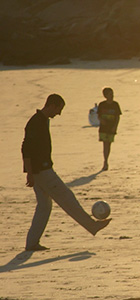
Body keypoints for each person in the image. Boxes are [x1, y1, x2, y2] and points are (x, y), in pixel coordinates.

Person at [22, 94, 112, 251]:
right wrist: (29, 173)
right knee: (67, 198)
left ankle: (31, 243)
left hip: (40, 171)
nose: (59, 113)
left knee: (44, 207)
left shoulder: (42, 121)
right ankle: (92, 226)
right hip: (42, 171)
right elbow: (26, 149)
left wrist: (31, 173)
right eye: (59, 109)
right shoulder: (36, 123)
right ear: (52, 105)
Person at [97, 87, 122, 171]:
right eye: (109, 94)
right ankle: (105, 161)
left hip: (111, 127)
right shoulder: (102, 104)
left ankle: (106, 160)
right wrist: (101, 120)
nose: (112, 96)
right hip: (103, 128)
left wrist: (115, 127)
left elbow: (117, 117)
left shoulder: (115, 105)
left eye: (112, 94)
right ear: (105, 96)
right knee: (105, 144)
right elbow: (98, 115)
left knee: (109, 144)